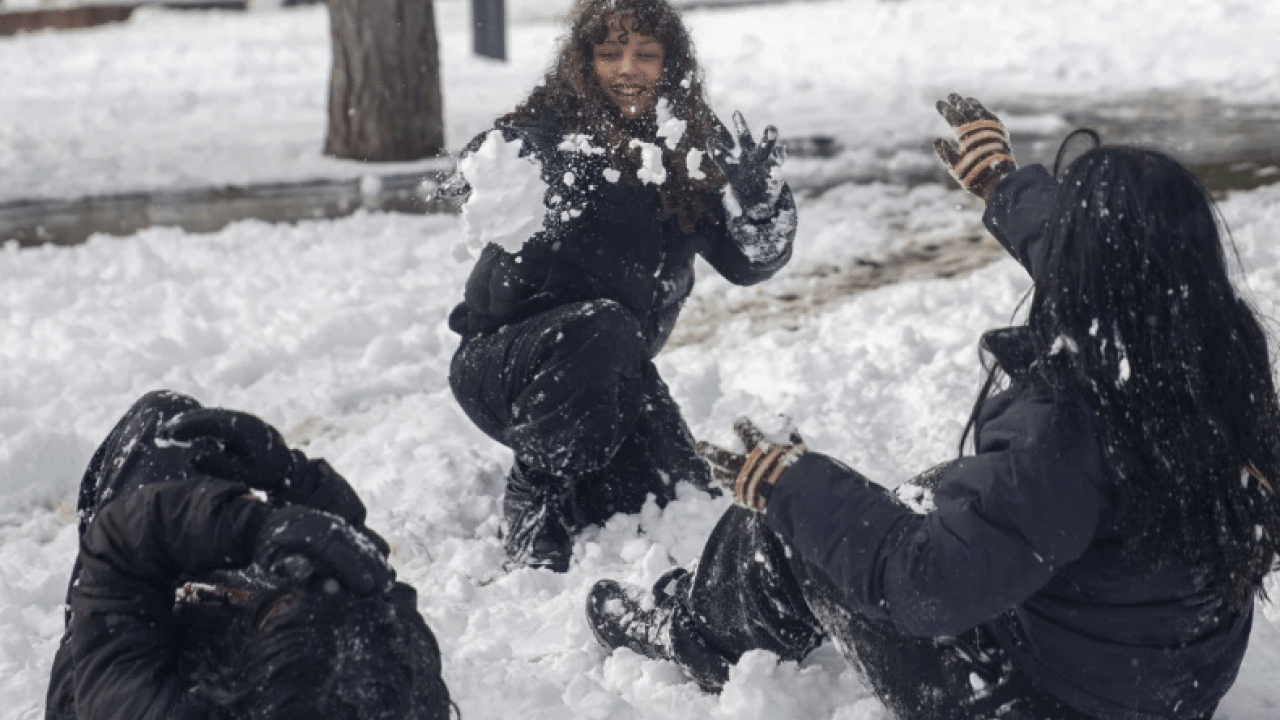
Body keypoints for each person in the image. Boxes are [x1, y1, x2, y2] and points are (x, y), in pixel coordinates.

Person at [584, 95, 1280, 720]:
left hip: (1046, 698)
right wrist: (1005, 187)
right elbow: (1111, 266)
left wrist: (790, 484)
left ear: (1087, 261)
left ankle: (693, 637)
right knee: (931, 494)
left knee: (785, 526)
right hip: (1173, 674)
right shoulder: (1213, 349)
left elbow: (930, 588)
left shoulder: (1067, 431)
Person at [447, 0, 797, 572]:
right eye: (609, 54)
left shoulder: (684, 152)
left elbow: (748, 265)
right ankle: (533, 493)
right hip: (507, 366)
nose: (627, 69)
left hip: (612, 370)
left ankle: (576, 480)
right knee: (601, 325)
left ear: (671, 64)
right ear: (584, 63)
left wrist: (762, 210)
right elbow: (477, 170)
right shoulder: (550, 130)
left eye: (645, 54)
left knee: (675, 497)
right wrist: (508, 167)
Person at [45, 390, 452, 720]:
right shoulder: (402, 696)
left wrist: (248, 526)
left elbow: (118, 554)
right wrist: (293, 481)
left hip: (120, 659)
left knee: (162, 425)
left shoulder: (149, 706)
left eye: (289, 612)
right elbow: (370, 579)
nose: (299, 591)